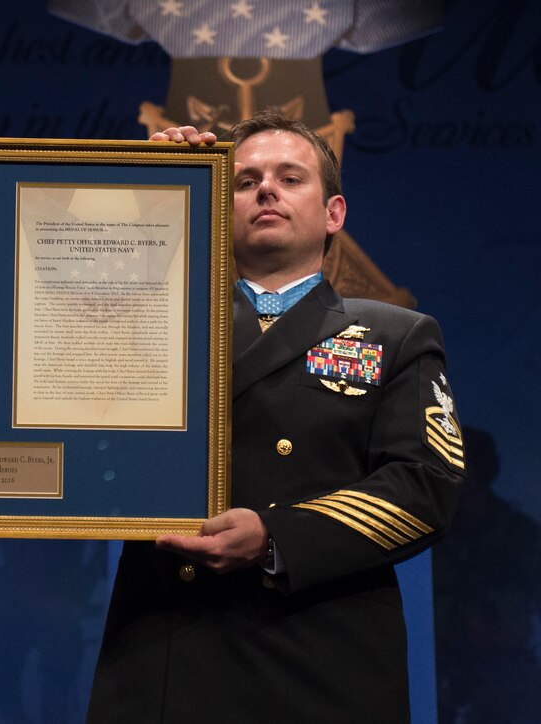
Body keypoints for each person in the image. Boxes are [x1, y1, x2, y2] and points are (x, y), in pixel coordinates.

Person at [87, 110, 464, 723]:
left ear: (333, 213)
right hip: (166, 655)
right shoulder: (152, 322)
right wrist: (156, 194)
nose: (265, 189)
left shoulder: (398, 335)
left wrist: (275, 537)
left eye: (290, 178)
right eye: (243, 180)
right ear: (215, 203)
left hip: (319, 660)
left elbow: (425, 487)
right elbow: (61, 374)